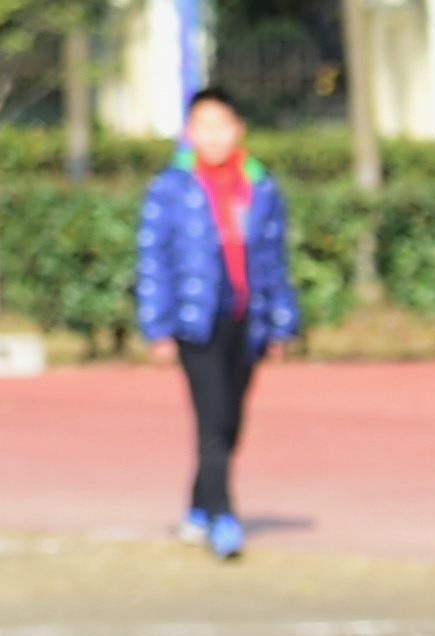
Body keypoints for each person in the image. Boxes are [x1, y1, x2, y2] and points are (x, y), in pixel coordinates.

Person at [135, 88, 297, 562]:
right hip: (194, 319)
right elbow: (154, 257)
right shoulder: (172, 186)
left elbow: (274, 256)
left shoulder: (260, 185)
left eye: (221, 125)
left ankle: (199, 506)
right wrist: (157, 325)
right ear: (189, 133)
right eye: (203, 126)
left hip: (245, 317)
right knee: (214, 417)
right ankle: (224, 516)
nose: (213, 136)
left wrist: (281, 321)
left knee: (232, 422)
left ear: (237, 129)